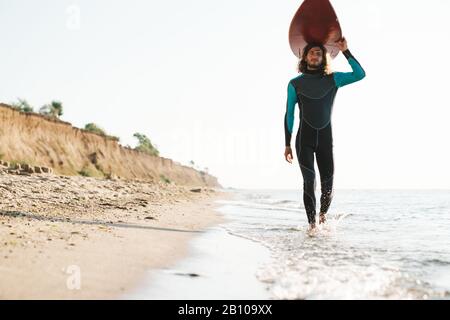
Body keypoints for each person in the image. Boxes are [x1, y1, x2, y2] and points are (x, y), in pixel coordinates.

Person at [283, 37, 366, 232]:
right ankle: (312, 226)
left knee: (328, 182)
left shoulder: (334, 79)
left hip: (325, 140)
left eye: (319, 53)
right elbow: (289, 113)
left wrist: (346, 51)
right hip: (304, 140)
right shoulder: (295, 84)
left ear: (324, 58)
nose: (315, 55)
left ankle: (322, 217)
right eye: (312, 52)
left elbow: (360, 74)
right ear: (305, 57)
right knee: (309, 181)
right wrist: (287, 143)